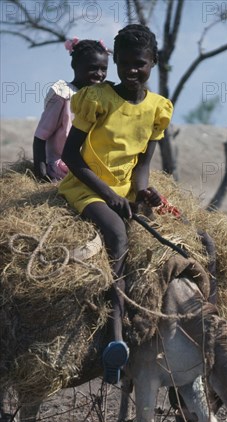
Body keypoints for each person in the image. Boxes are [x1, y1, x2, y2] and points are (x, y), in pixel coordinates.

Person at [59, 24, 173, 384]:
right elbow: (70, 156)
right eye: (124, 63)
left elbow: (141, 164)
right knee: (117, 234)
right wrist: (108, 194)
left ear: (153, 61)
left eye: (139, 63)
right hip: (86, 186)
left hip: (122, 191)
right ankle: (115, 332)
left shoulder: (157, 109)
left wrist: (142, 193)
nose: (131, 70)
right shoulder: (98, 98)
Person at [33, 38, 109, 182]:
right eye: (92, 68)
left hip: (89, 168)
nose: (99, 74)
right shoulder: (63, 93)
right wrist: (41, 176)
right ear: (75, 65)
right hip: (62, 169)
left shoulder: (102, 97)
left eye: (103, 69)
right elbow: (40, 137)